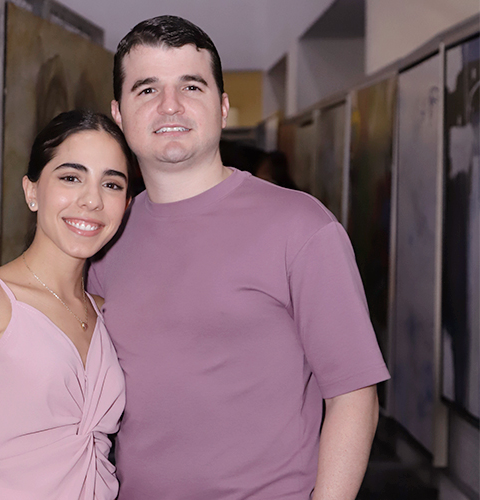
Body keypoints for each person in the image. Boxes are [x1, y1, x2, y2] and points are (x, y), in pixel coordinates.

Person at [88, 16, 390, 500]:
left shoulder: (301, 226)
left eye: (191, 86)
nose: (170, 105)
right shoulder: (104, 238)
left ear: (223, 107)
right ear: (119, 113)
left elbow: (354, 395)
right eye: (147, 89)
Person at [0, 110, 134, 500]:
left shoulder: (106, 313)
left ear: (127, 204)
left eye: (111, 184)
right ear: (32, 191)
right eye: (71, 178)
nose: (92, 200)